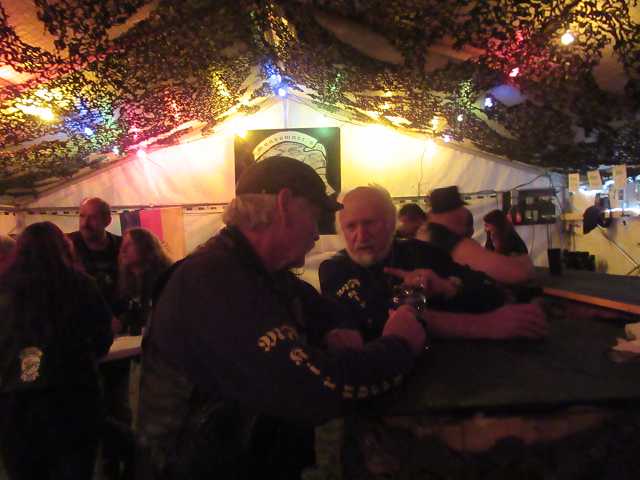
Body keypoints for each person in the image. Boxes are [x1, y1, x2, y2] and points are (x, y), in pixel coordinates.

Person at [136, 156, 427, 480]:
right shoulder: (214, 279)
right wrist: (399, 345)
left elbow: (327, 310)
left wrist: (338, 327)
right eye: (315, 216)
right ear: (285, 205)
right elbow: (310, 390)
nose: (317, 233)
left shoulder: (259, 272)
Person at [320, 186, 548, 341]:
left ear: (391, 224)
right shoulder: (335, 269)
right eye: (351, 226)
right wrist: (488, 325)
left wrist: (447, 287)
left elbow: (491, 291)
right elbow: (382, 321)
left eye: (370, 223)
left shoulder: (420, 251)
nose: (361, 236)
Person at [0, 222, 113, 480]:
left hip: (14, 401)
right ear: (64, 248)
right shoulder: (81, 285)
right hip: (73, 395)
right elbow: (102, 339)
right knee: (74, 469)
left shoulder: (4, 287)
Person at [68, 197, 130, 480]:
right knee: (86, 408)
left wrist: (124, 318)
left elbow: (132, 285)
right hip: (82, 343)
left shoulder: (121, 246)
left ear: (107, 219)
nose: (85, 223)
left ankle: (117, 465)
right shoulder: (70, 246)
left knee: (118, 405)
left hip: (118, 341)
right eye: (82, 216)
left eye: (91, 217)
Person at [426, 186, 534, 284]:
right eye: (460, 206)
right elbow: (518, 273)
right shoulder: (446, 240)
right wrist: (525, 261)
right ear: (453, 212)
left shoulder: (428, 235)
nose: (464, 212)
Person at [115, 228, 173, 336]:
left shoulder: (166, 278)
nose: (123, 249)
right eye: (123, 244)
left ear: (146, 247)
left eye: (129, 244)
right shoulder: (127, 282)